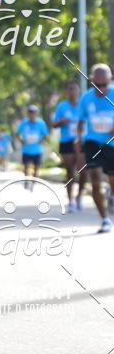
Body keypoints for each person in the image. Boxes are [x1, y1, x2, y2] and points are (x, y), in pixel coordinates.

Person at [76, 63, 114, 233]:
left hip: (111, 144)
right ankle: (105, 219)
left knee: (112, 179)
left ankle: (111, 195)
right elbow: (81, 121)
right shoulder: (86, 98)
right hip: (92, 142)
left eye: (104, 85)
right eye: (96, 85)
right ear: (91, 81)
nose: (101, 89)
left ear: (110, 81)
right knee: (96, 180)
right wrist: (78, 139)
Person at [53, 81, 84, 212]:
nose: (72, 91)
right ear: (67, 91)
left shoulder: (83, 105)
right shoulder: (61, 106)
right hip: (66, 142)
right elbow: (54, 124)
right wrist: (61, 121)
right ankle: (70, 200)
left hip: (82, 142)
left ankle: (79, 196)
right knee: (70, 172)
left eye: (74, 89)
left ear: (78, 91)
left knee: (84, 172)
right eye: (70, 89)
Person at [16, 105, 48, 186]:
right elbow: (17, 134)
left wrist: (41, 141)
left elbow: (45, 134)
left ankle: (34, 182)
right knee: (26, 167)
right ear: (27, 113)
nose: (32, 114)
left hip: (37, 150)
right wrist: (21, 141)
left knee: (36, 169)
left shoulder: (41, 123)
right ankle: (26, 181)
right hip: (26, 150)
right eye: (30, 112)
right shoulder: (23, 123)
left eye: (33, 112)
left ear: (36, 113)